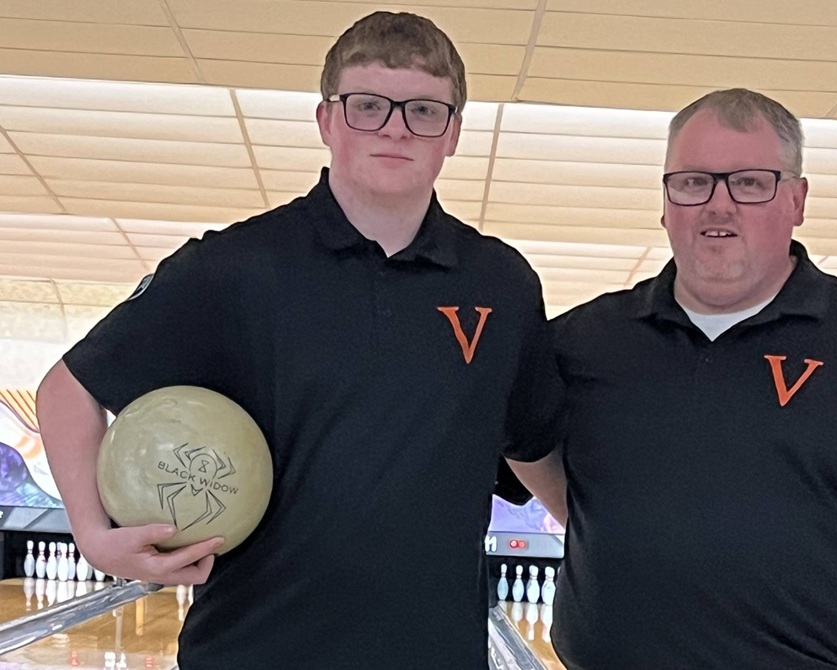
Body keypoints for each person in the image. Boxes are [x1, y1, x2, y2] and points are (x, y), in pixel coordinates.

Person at [36, 11, 560, 670]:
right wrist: (91, 534)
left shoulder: (502, 284)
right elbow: (69, 388)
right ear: (328, 121)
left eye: (424, 110)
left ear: (452, 133)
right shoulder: (233, 268)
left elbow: (533, 441)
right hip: (253, 651)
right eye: (369, 105)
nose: (396, 127)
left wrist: (618, 545)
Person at [509, 88, 837, 670]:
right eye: (692, 183)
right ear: (665, 203)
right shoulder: (584, 341)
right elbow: (521, 438)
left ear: (796, 199)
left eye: (749, 182)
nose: (718, 206)